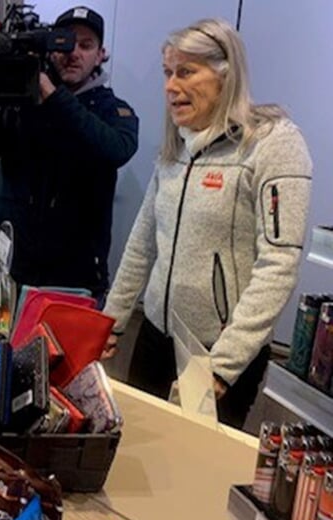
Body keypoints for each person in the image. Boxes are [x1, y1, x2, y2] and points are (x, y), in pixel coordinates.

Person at [103, 18, 312, 430]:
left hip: (215, 351)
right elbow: (143, 241)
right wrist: (112, 320)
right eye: (167, 72)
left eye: (185, 71)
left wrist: (223, 366)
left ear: (225, 73)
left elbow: (279, 263)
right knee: (136, 453)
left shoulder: (272, 143)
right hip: (155, 336)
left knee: (194, 474)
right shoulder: (178, 146)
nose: (170, 85)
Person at [0, 6, 139, 301]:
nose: (74, 52)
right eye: (63, 43)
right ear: (49, 50)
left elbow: (114, 150)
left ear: (101, 54)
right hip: (9, 273)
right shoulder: (19, 104)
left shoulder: (114, 111)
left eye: (86, 45)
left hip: (74, 281)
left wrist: (53, 96)